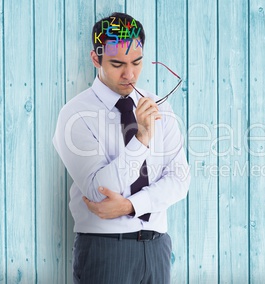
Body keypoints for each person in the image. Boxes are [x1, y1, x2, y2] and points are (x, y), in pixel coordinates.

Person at [53, 12, 190, 283]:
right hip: (105, 250)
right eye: (117, 64)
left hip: (157, 248)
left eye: (137, 62)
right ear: (96, 59)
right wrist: (141, 138)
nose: (130, 74)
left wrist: (130, 205)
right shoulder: (75, 115)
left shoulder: (160, 106)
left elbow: (180, 179)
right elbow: (98, 191)